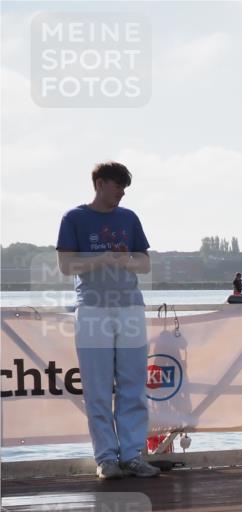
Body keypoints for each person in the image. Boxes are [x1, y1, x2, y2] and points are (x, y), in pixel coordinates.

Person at [57, 161, 160, 479]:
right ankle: (106, 459)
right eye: (117, 186)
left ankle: (132, 455)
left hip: (129, 308)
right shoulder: (74, 218)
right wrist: (99, 259)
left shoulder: (129, 218)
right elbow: (65, 265)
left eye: (125, 188)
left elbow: (144, 263)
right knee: (97, 388)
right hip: (91, 310)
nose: (121, 193)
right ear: (100, 183)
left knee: (133, 386)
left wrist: (124, 260)